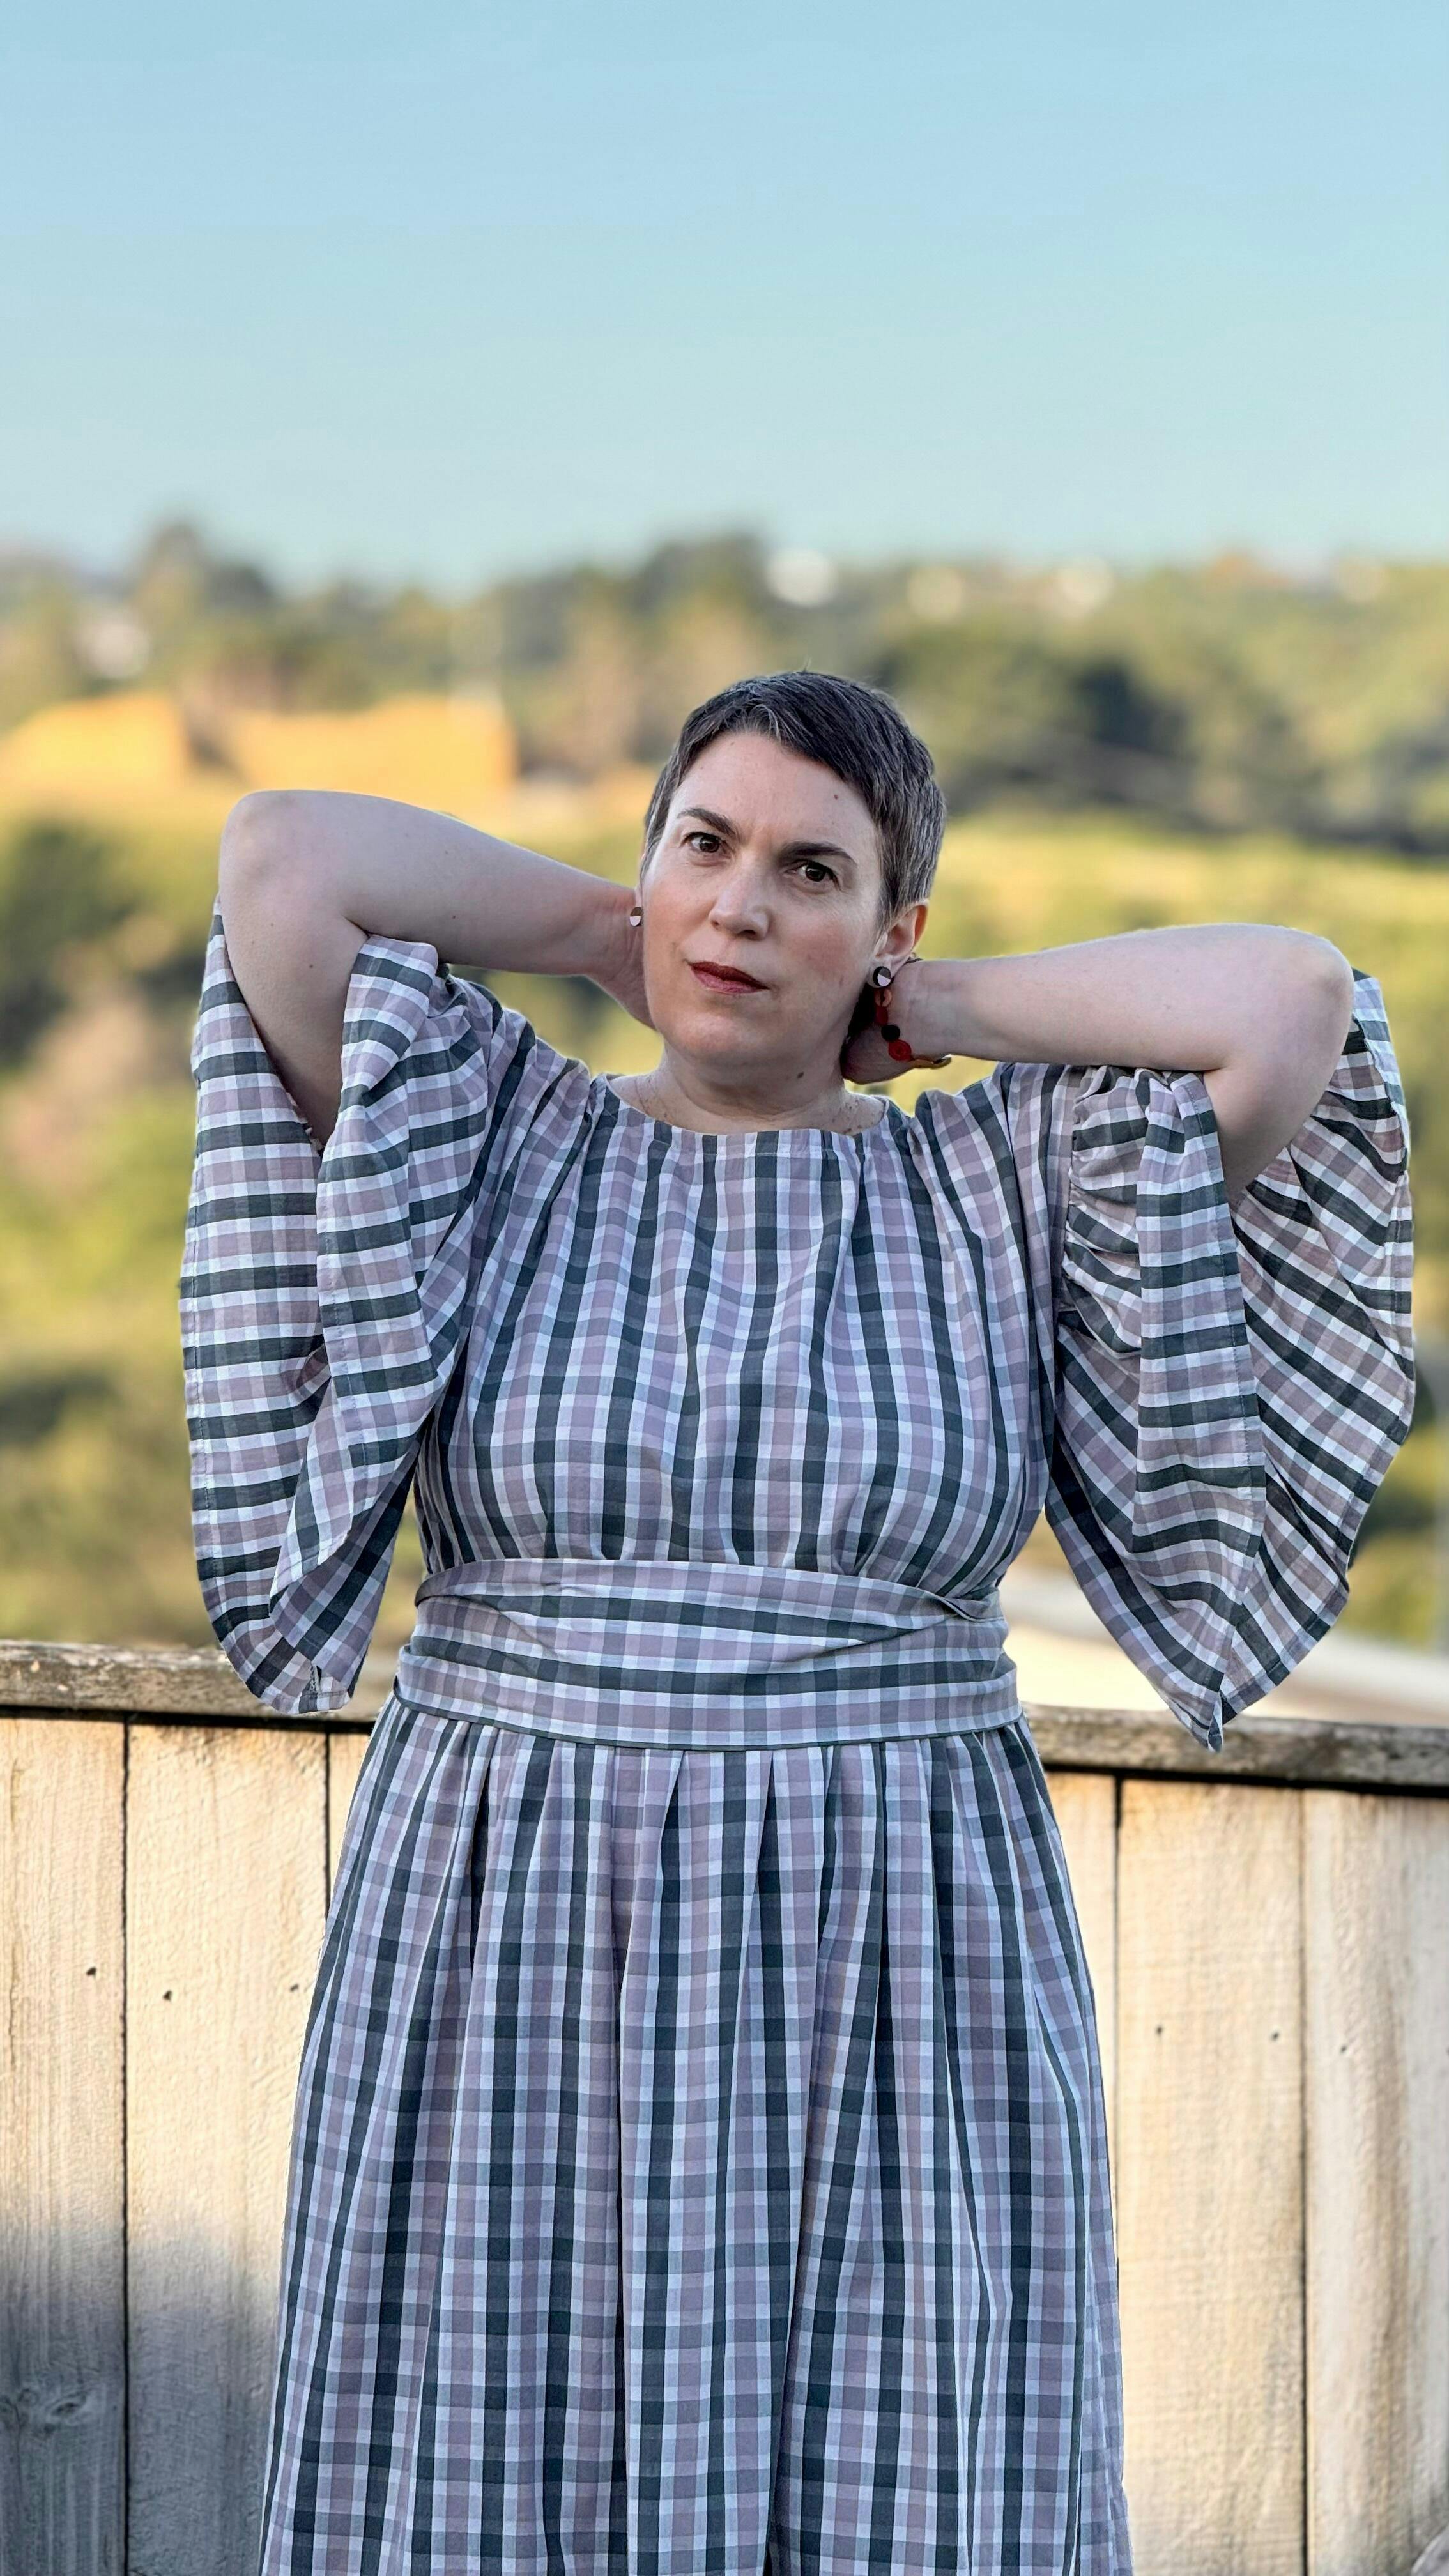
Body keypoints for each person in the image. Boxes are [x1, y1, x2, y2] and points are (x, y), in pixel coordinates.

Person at [180, 670, 1413, 2575]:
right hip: (511, 1910)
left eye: (811, 874)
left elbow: (1290, 1001)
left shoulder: (1004, 1184)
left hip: (898, 1935)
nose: (742, 906)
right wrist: (618, 938)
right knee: (483, 2466)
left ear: (893, 921)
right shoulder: (482, 1133)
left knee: (898, 2472)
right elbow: (282, 862)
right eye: (708, 847)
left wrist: (931, 1010)